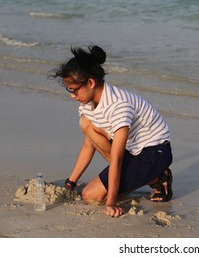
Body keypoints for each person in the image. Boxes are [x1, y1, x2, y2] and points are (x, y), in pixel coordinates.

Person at [50, 45, 173, 217]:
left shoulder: (118, 106)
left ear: (90, 83)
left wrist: (111, 203)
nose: (72, 95)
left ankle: (159, 177)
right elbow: (89, 144)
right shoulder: (87, 105)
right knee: (86, 124)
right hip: (132, 150)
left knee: (91, 196)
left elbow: (117, 159)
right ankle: (147, 177)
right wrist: (71, 182)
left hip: (154, 152)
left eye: (74, 90)